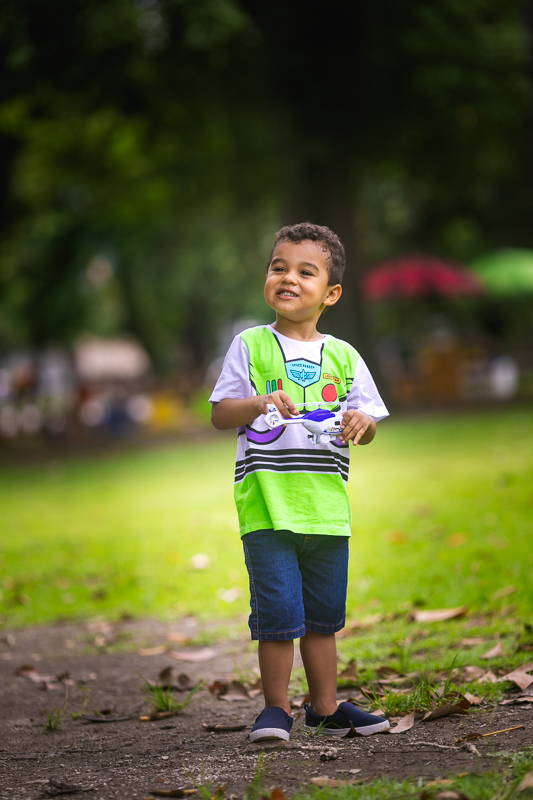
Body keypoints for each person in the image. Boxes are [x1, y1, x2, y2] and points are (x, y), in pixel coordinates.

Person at [210, 223, 390, 741]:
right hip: (267, 508)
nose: (287, 277)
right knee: (278, 614)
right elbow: (222, 415)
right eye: (278, 267)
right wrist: (261, 402)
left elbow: (368, 421)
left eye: (305, 271)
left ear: (330, 293)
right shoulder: (250, 345)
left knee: (323, 618)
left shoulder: (345, 356)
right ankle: (275, 709)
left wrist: (365, 425)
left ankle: (326, 706)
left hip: (327, 513)